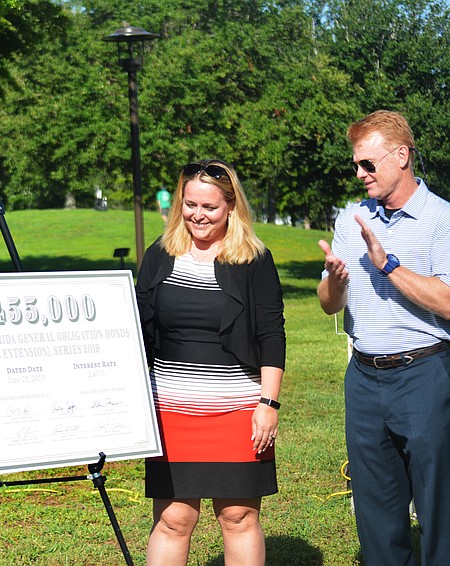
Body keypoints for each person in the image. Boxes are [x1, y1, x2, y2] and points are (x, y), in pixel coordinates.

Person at [136, 159, 285, 565]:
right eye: (190, 205)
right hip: (170, 413)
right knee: (173, 519)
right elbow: (137, 329)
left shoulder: (254, 259)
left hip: (238, 412)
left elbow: (271, 335)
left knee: (238, 517)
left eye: (209, 207)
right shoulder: (159, 255)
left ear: (231, 207)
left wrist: (268, 404)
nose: (197, 215)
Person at [317, 110, 450, 565]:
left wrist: (387, 264)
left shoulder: (440, 219)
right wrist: (335, 281)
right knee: (375, 510)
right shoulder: (351, 218)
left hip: (425, 373)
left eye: (368, 164)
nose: (360, 173)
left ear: (402, 156)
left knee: (439, 506)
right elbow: (329, 304)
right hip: (364, 377)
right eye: (356, 164)